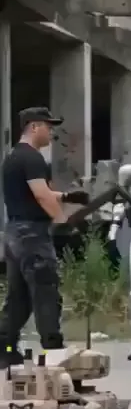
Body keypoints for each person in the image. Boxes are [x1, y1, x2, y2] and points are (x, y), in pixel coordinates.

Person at [0, 107, 88, 366]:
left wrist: (69, 197)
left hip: (15, 234)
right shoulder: (33, 158)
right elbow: (40, 195)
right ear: (34, 126)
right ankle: (53, 349)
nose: (52, 132)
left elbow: (34, 193)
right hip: (33, 235)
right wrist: (63, 222)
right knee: (45, 290)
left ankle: (5, 347)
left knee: (19, 297)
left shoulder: (13, 157)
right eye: (49, 127)